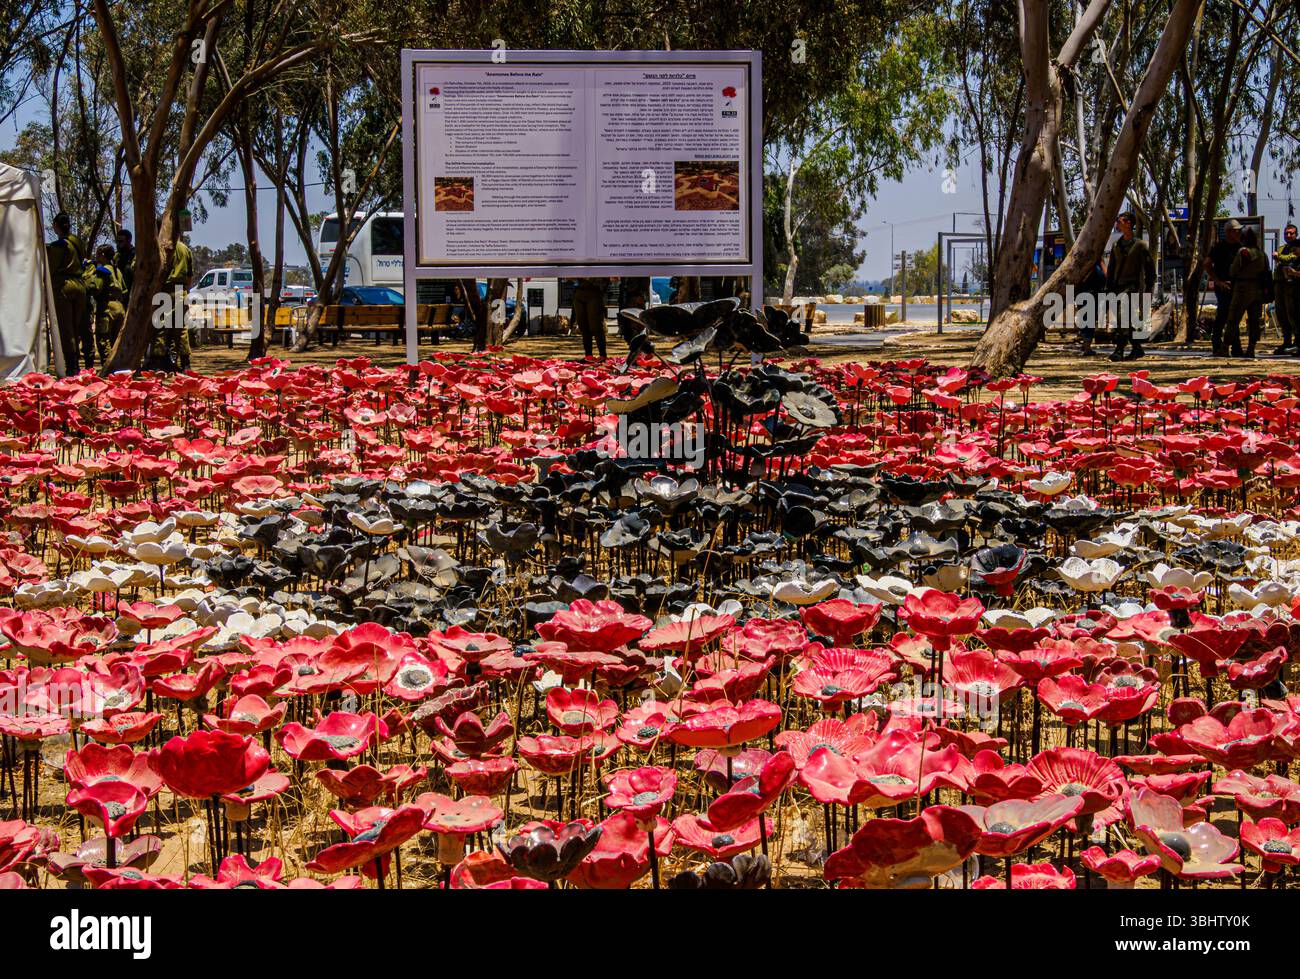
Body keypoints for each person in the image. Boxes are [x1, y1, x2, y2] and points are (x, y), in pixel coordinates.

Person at [1105, 211, 1156, 361]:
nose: (1117, 224)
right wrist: (1108, 288)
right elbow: (1112, 269)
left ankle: (1119, 349)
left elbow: (1150, 270)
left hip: (1133, 288)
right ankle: (1137, 348)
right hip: (1117, 287)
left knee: (1123, 317)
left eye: (1119, 221)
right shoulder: (1116, 245)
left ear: (1129, 223)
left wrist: (1147, 290)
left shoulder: (1140, 245)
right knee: (1129, 320)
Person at [46, 212, 90, 374]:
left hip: (64, 286)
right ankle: (76, 364)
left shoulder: (59, 246)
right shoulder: (78, 242)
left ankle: (71, 367)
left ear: (57, 226)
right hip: (80, 284)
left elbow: (51, 267)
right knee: (76, 326)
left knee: (66, 329)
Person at [152, 222, 194, 371]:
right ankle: (185, 363)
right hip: (181, 291)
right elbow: (189, 276)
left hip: (164, 290)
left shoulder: (160, 248)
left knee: (161, 327)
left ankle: (159, 362)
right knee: (181, 329)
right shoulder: (185, 249)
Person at [1223, 227, 1270, 358]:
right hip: (1258, 289)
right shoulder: (1261, 253)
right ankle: (1251, 348)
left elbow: (1233, 270)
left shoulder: (1243, 252)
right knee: (1254, 321)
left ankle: (1225, 347)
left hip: (1242, 288)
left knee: (1233, 319)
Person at [1205, 218, 1243, 356]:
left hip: (1237, 287)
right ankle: (1217, 345)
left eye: (1239, 230)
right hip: (1223, 287)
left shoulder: (1240, 247)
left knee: (1234, 317)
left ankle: (1236, 347)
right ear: (1227, 232)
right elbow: (1207, 264)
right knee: (1222, 316)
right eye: (1235, 230)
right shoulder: (1219, 247)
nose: (1238, 233)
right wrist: (1217, 281)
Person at [87, 244, 127, 366]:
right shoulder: (117, 270)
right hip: (120, 307)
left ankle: (107, 365)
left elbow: (95, 288)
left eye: (98, 253)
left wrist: (88, 278)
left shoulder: (102, 271)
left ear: (102, 255)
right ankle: (117, 365)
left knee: (104, 339)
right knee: (116, 340)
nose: (96, 256)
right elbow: (124, 289)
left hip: (107, 307)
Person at [1272, 222, 1300, 355]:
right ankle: (1286, 340)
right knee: (1281, 314)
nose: (1288, 235)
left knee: (1292, 314)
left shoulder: (1297, 248)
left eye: (1291, 233)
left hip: (1292, 286)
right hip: (1279, 284)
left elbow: (1289, 258)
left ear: (1296, 234)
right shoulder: (1283, 248)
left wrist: (1279, 257)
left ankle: (1297, 342)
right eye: (1286, 233)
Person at [570, 277, 608, 359]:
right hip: (578, 292)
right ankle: (588, 355)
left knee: (596, 325)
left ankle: (603, 355)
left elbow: (605, 279)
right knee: (583, 326)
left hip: (594, 291)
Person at [115, 228, 136, 299]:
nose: (118, 244)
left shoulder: (136, 254)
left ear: (129, 241)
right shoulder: (116, 256)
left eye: (121, 242)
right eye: (117, 241)